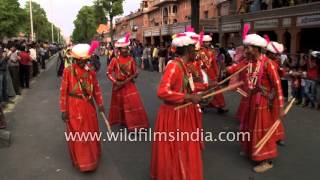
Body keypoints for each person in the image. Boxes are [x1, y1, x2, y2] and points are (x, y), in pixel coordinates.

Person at [226, 34, 284, 173]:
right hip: (251, 99)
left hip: (263, 102)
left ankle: (267, 160)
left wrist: (280, 107)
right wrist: (222, 72)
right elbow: (234, 69)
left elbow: (277, 86)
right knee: (250, 126)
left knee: (263, 130)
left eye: (249, 48)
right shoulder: (249, 62)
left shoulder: (268, 63)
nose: (246, 51)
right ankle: (251, 150)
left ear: (257, 49)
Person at [151, 32, 204, 180]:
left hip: (184, 113)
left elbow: (190, 86)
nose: (196, 52)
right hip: (172, 115)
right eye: (194, 49)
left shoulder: (185, 66)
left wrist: (207, 86)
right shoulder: (174, 66)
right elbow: (162, 92)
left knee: (184, 147)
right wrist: (189, 97)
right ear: (188, 50)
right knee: (175, 149)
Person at [60, 43, 105, 172]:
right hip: (73, 106)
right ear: (74, 59)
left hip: (89, 106)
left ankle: (92, 158)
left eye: (84, 60)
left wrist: (100, 103)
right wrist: (63, 110)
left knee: (91, 132)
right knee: (79, 134)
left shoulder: (91, 70)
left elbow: (96, 88)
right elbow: (63, 91)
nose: (81, 62)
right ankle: (82, 162)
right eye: (79, 60)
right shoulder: (67, 71)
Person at [106, 34, 149, 131]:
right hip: (118, 85)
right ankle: (123, 122)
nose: (126, 50)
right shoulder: (114, 60)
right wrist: (116, 82)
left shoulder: (131, 59)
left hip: (129, 85)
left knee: (133, 104)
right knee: (121, 104)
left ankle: (135, 125)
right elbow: (108, 73)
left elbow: (135, 73)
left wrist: (135, 75)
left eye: (127, 48)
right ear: (119, 50)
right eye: (124, 49)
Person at [199, 35, 228, 113]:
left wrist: (217, 73)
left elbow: (214, 63)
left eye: (208, 42)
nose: (207, 43)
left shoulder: (212, 51)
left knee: (216, 89)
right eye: (205, 42)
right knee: (205, 90)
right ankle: (202, 105)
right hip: (203, 73)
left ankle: (220, 106)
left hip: (211, 73)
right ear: (202, 42)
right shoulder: (199, 51)